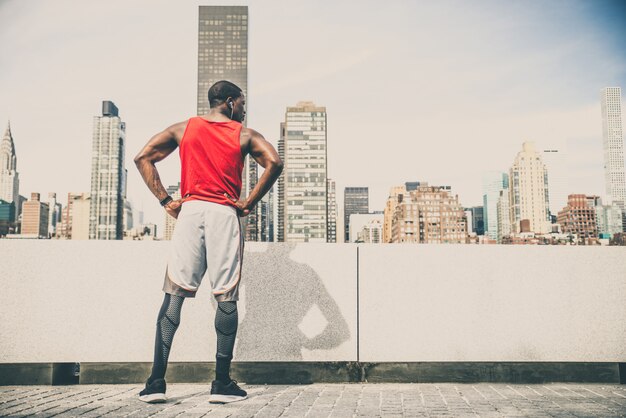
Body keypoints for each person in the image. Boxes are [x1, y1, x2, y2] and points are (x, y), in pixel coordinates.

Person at [133, 80, 283, 404]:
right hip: (224, 214)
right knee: (226, 297)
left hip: (189, 213)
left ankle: (156, 382)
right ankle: (222, 384)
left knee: (174, 295)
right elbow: (275, 162)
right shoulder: (244, 134)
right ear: (230, 102)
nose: (243, 110)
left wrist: (165, 201)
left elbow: (143, 157)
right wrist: (249, 202)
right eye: (242, 104)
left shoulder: (183, 128)